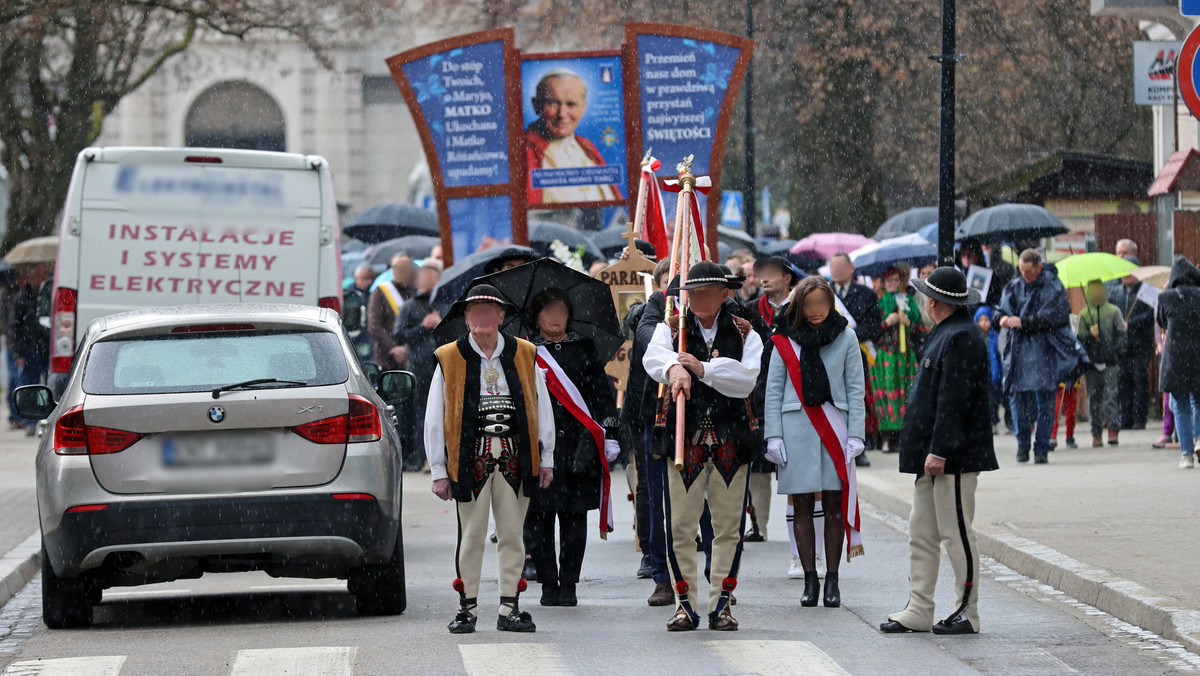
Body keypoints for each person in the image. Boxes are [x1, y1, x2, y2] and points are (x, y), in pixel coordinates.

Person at [423, 284, 556, 634]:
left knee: (513, 534)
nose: (481, 318)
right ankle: (467, 608)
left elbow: (540, 407)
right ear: (466, 318)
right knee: (471, 535)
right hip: (471, 459)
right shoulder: (449, 357)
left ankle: (509, 608)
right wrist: (439, 469)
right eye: (475, 312)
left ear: (501, 317)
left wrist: (547, 457)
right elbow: (435, 418)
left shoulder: (525, 353)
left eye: (488, 312)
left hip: (515, 457)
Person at [643, 261, 763, 632]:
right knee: (680, 525)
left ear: (724, 294)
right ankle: (684, 604)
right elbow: (653, 356)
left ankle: (721, 605)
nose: (698, 299)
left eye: (706, 292)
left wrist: (703, 370)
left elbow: (745, 381)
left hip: (731, 441)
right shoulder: (671, 329)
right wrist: (673, 369)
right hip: (684, 441)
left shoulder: (746, 333)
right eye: (692, 294)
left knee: (729, 527)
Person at [881, 266, 998, 636]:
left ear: (933, 302)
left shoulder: (960, 336)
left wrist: (941, 450)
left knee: (957, 532)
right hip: (934, 457)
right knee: (923, 532)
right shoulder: (947, 332)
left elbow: (955, 400)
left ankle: (968, 610)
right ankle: (919, 607)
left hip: (953, 458)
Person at [764, 276, 866, 608]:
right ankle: (810, 579)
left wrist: (857, 434)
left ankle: (832, 579)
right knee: (803, 506)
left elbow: (855, 389)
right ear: (799, 306)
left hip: (835, 428)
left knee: (834, 506)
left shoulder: (847, 336)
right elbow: (773, 391)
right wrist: (773, 435)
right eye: (808, 305)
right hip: (796, 430)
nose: (815, 311)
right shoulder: (783, 339)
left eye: (821, 303)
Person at [523, 288, 619, 607]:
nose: (555, 317)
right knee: (538, 517)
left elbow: (601, 392)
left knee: (574, 518)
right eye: (548, 310)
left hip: (580, 444)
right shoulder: (525, 351)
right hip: (540, 444)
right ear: (537, 317)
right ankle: (548, 583)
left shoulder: (584, 347)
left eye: (560, 310)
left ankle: (569, 584)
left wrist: (610, 429)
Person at [624, 258, 675, 606]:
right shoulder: (651, 311)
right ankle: (661, 575)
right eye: (669, 280)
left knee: (699, 504)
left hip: (699, 420)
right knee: (655, 497)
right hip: (655, 418)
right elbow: (645, 336)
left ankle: (713, 578)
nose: (676, 286)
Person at [996, 249, 1069, 464]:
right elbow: (999, 310)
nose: (1025, 275)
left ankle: (1042, 448)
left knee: (1045, 400)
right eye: (1021, 271)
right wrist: (1001, 319)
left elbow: (1055, 316)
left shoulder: (1053, 286)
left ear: (1039, 267)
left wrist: (1023, 322)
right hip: (1018, 348)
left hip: (1043, 348)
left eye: (1029, 271)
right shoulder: (1013, 286)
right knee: (1017, 398)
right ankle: (1023, 444)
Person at [524, 69, 621, 204]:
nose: (562, 114)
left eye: (571, 104)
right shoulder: (523, 150)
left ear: (583, 108)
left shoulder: (587, 147)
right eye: (553, 103)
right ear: (536, 105)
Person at [828, 253, 883, 465]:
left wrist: (850, 336)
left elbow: (874, 328)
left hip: (858, 355)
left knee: (856, 400)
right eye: (834, 268)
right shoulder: (825, 293)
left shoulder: (866, 294)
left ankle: (858, 447)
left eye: (841, 267)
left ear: (851, 269)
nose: (837, 272)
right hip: (831, 355)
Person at [393, 258, 443, 469]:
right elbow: (399, 335)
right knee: (421, 413)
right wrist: (423, 326)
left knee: (445, 411)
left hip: (443, 364)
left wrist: (440, 324)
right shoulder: (409, 306)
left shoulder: (445, 303)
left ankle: (443, 456)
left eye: (430, 277)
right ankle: (421, 458)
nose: (425, 281)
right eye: (423, 277)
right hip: (419, 367)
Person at [869, 266, 923, 452]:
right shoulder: (877, 301)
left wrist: (908, 322)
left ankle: (902, 435)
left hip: (905, 355)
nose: (892, 284)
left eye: (895, 280)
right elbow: (872, 329)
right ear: (883, 283)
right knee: (885, 392)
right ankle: (886, 436)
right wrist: (886, 322)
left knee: (906, 393)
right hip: (884, 355)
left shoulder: (908, 300)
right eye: (889, 281)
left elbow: (919, 328)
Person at [1156, 256, 1200, 469]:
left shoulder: (1167, 297)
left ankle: (1187, 455)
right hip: (1198, 356)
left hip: (1175, 358)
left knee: (1180, 406)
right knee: (1198, 402)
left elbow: (1162, 322)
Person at [1107, 256, 1155, 430]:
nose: (1126, 275)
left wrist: (1131, 324)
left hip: (1140, 344)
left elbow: (1151, 315)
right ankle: (1124, 418)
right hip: (1120, 346)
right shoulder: (1115, 293)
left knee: (1139, 381)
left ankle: (1139, 418)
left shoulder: (1145, 292)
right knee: (1122, 382)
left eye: (1130, 271)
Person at [1078, 279, 1126, 447]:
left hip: (1110, 362)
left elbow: (1122, 334)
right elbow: (1080, 341)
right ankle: (1096, 432)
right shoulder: (1084, 315)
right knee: (1094, 397)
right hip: (1092, 364)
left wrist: (1115, 350)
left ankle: (1113, 428)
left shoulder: (1113, 311)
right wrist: (1090, 336)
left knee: (1111, 395)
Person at [368, 254, 415, 370]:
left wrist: (408, 347)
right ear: (393, 270)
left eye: (406, 267)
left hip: (413, 356)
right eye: (399, 267)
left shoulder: (417, 290)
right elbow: (374, 325)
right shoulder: (382, 291)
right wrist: (394, 348)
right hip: (387, 359)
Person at [974, 307, 1003, 433]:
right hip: (979, 375)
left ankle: (993, 422)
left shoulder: (995, 337)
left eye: (986, 319)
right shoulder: (974, 338)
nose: (984, 323)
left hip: (992, 374)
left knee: (993, 401)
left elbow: (999, 357)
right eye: (981, 320)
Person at [346, 264, 376, 363]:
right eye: (364, 278)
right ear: (356, 278)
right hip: (353, 332)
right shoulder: (349, 294)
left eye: (371, 278)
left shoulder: (374, 293)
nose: (368, 282)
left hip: (368, 335)